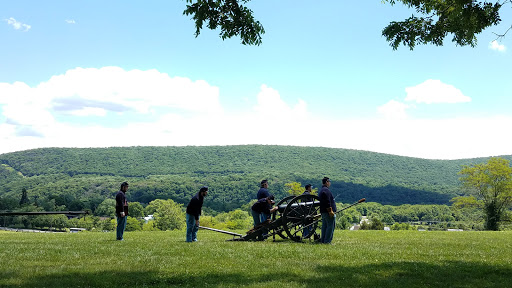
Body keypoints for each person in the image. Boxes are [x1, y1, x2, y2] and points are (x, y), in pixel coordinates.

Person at [318, 177, 336, 244]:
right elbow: (327, 202)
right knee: (330, 226)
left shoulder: (322, 190)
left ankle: (323, 240)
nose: (330, 183)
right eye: (329, 182)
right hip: (328, 212)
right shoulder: (326, 190)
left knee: (324, 226)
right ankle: (327, 241)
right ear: (326, 182)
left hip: (323, 211)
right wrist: (330, 211)